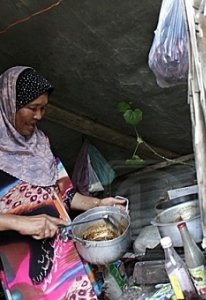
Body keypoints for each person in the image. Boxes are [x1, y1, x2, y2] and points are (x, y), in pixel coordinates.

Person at [0, 66, 126, 300]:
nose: (39, 116)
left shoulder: (40, 142)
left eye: (43, 108)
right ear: (8, 104)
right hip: (28, 274)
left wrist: (98, 205)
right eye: (32, 108)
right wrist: (20, 223)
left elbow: (64, 193)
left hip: (67, 257)